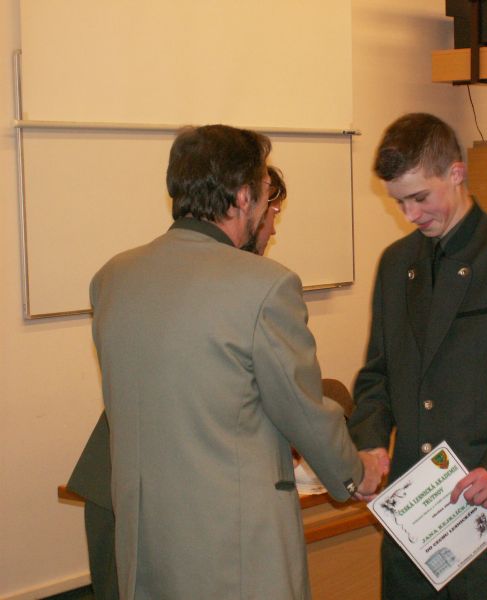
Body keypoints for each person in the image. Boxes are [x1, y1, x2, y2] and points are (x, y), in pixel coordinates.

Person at [89, 124, 385, 599]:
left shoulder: (113, 278)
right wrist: (356, 471)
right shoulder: (265, 286)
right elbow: (303, 411)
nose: (268, 209)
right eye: (267, 194)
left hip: (145, 544)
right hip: (233, 551)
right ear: (244, 197)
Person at [347, 113, 487, 599]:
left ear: (456, 172)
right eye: (399, 202)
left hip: (483, 502)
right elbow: (377, 375)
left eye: (419, 197)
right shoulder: (396, 263)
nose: (410, 214)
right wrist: (370, 441)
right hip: (412, 510)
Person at [67, 163, 291, 600]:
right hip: (131, 490)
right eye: (272, 210)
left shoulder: (237, 280)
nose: (274, 228)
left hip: (151, 489)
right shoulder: (234, 282)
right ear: (246, 205)